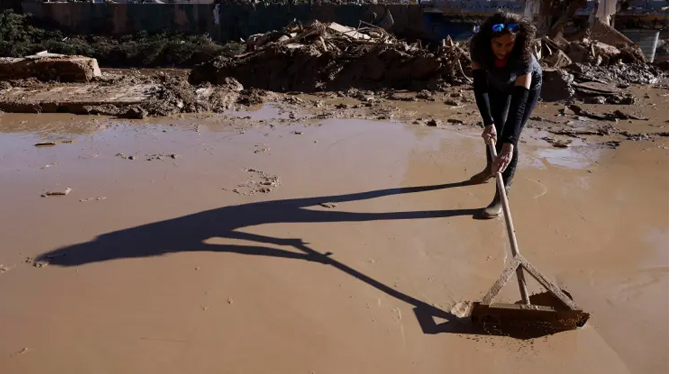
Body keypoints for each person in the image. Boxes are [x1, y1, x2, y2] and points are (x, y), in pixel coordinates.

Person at [467, 11, 542, 219]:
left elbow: (519, 101)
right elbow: (480, 87)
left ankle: (501, 196)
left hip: (526, 88)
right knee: (494, 132)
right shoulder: (478, 48)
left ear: (517, 42)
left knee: (510, 135)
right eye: (498, 44)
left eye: (509, 44)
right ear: (489, 41)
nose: (503, 50)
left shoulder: (523, 57)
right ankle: (490, 169)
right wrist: (488, 121)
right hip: (497, 84)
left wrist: (509, 142)